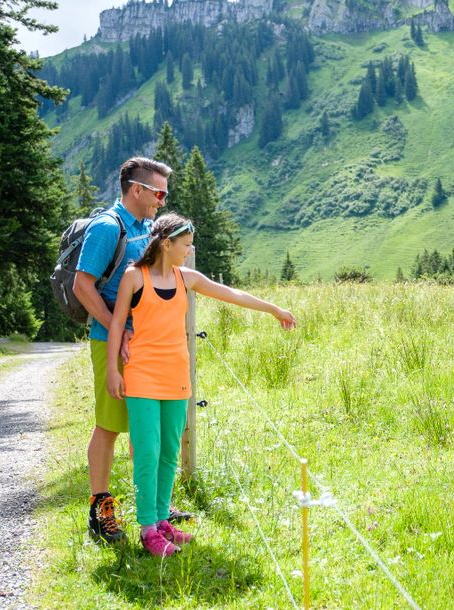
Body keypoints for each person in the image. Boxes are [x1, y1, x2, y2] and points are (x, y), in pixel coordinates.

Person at [106, 213, 296, 556]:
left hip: (177, 376)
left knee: (169, 453)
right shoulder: (134, 277)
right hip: (141, 375)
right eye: (186, 244)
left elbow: (232, 294)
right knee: (147, 452)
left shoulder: (187, 278)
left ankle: (162, 521)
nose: (190, 250)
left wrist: (274, 309)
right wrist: (112, 370)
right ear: (167, 244)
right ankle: (148, 529)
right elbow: (117, 324)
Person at [74, 157, 175, 543]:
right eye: (158, 193)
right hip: (111, 342)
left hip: (145, 341)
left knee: (143, 426)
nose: (161, 201)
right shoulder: (106, 227)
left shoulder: (147, 227)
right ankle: (101, 511)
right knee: (110, 424)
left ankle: (151, 509)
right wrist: (116, 329)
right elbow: (83, 286)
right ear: (137, 190)